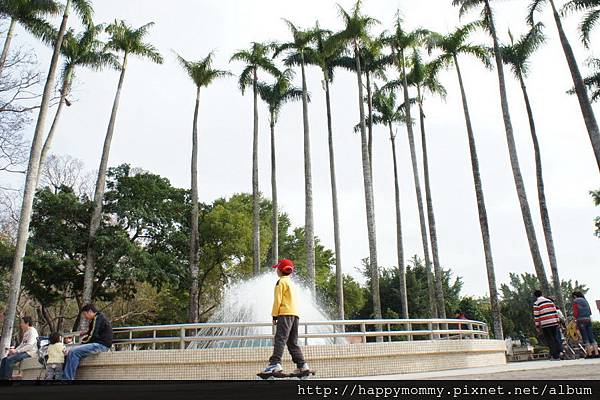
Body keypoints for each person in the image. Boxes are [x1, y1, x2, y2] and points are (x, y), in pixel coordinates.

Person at [262, 259, 309, 375]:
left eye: (277, 269)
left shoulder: (280, 282)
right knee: (292, 342)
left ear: (280, 270)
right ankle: (302, 365)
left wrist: (274, 315)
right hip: (295, 315)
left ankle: (274, 364)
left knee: (280, 339)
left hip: (285, 314)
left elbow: (278, 300)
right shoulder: (292, 283)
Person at [63, 304, 112, 380]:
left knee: (73, 352)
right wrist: (86, 333)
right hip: (100, 344)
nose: (85, 317)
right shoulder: (97, 318)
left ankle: (67, 379)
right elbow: (91, 332)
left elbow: (93, 335)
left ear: (90, 311)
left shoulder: (97, 318)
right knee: (71, 352)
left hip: (101, 345)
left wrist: (82, 343)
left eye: (85, 315)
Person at [533, 290, 562, 361]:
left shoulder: (536, 303)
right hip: (554, 322)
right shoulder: (550, 301)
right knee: (555, 338)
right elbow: (555, 311)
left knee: (550, 339)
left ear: (535, 296)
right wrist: (557, 321)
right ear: (542, 294)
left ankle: (554, 356)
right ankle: (558, 353)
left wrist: (537, 326)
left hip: (545, 324)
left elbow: (536, 316)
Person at [572, 291, 599, 358]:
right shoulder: (585, 300)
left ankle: (589, 354)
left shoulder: (575, 301)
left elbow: (576, 312)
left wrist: (575, 318)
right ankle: (596, 353)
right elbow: (590, 311)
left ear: (575, 296)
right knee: (591, 337)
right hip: (588, 319)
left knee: (585, 337)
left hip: (581, 320)